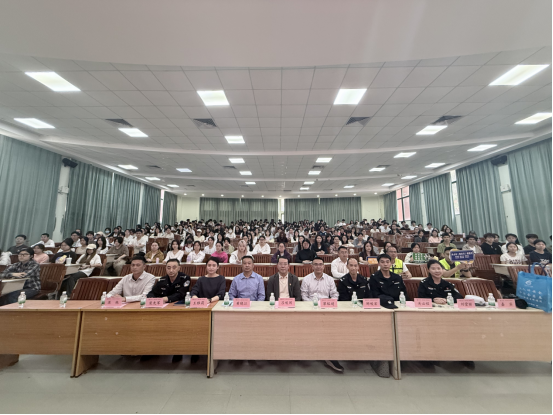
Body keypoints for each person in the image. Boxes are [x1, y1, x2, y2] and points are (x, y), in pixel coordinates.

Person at [300, 256, 340, 372]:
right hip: (310, 309)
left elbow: (335, 295)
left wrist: (327, 305)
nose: (318, 266)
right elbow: (304, 295)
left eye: (320, 264)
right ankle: (309, 353)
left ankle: (329, 355)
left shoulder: (329, 279)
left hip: (327, 309)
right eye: (316, 264)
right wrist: (313, 305)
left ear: (324, 266)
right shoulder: (306, 279)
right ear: (312, 266)